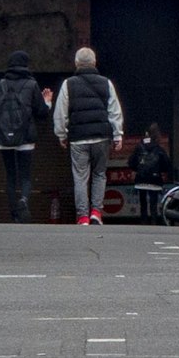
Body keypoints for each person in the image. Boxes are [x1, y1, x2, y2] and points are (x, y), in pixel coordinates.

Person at [53, 47, 125, 225]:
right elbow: (114, 111)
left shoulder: (68, 84)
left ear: (77, 63)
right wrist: (118, 135)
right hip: (101, 137)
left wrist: (61, 134)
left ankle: (83, 216)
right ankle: (96, 213)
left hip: (78, 138)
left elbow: (60, 113)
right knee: (99, 174)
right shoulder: (106, 83)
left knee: (80, 177)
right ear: (94, 63)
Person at [0, 51, 46, 222]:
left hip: (4, 138)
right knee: (25, 175)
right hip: (26, 139)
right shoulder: (32, 85)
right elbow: (41, 112)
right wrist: (48, 101)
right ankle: (23, 199)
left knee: (10, 176)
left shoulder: (0, 85)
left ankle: (14, 214)